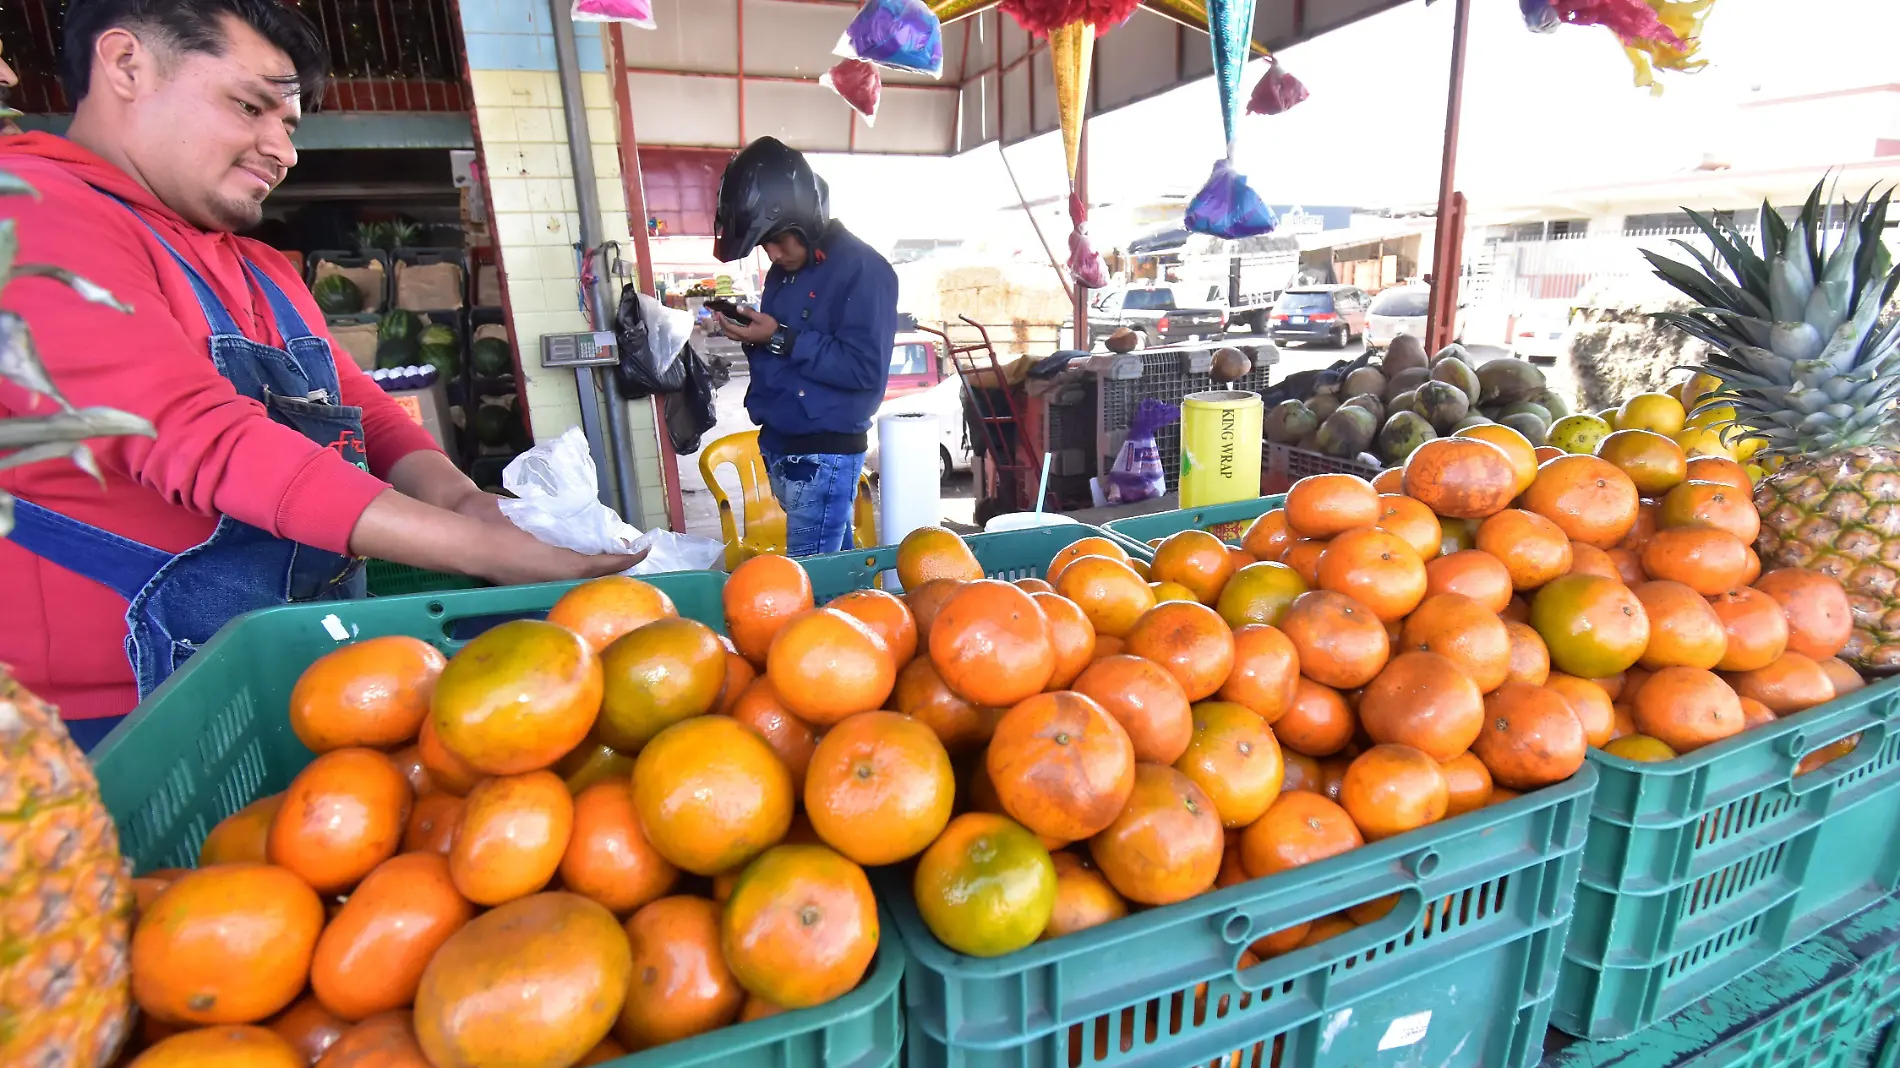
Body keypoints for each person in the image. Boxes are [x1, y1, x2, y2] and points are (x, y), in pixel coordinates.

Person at [0, 0, 637, 748]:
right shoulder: (33, 214)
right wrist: (485, 552)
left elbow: (364, 409)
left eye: (290, 124)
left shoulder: (260, 268)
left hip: (309, 676)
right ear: (127, 65)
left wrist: (467, 503)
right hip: (128, 723)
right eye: (250, 106)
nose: (283, 149)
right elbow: (199, 435)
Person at [710, 136, 898, 557]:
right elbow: (786, 355)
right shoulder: (784, 271)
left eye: (778, 239)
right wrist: (753, 335)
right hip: (783, 443)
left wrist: (778, 335)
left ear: (805, 219)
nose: (774, 254)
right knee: (835, 572)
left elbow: (863, 370)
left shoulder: (865, 271)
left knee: (807, 587)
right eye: (764, 245)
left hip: (822, 455)